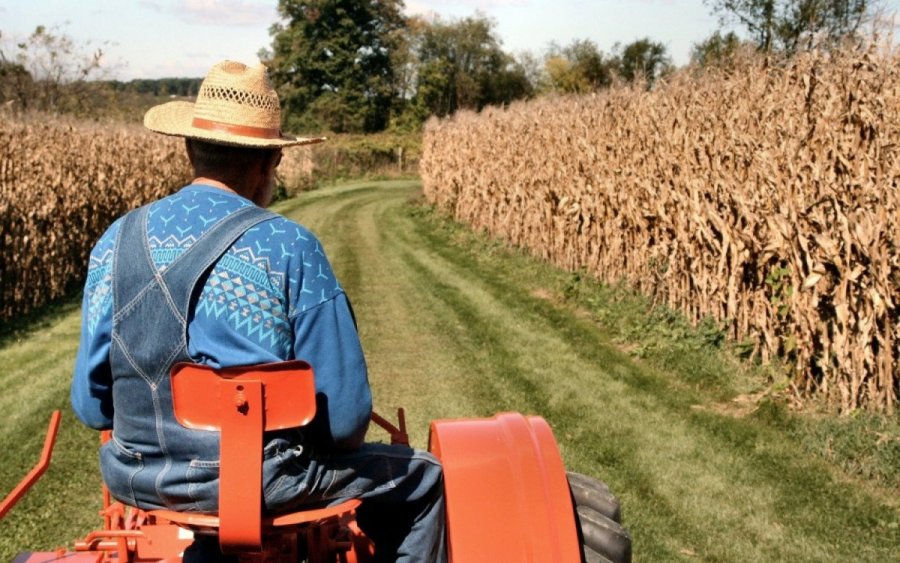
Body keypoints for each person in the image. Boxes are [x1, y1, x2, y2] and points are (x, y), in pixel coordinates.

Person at [70, 60, 446, 563]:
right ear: (270, 162)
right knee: (423, 479)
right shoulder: (288, 247)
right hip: (261, 484)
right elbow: (345, 423)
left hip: (136, 477)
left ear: (190, 149)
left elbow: (91, 407)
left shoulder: (114, 242)